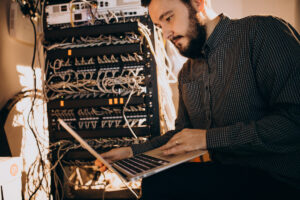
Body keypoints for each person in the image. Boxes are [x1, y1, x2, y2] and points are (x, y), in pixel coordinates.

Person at [95, 0, 300, 199]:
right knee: (157, 181)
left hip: (280, 179)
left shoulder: (262, 32)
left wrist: (208, 138)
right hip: (228, 177)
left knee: (162, 186)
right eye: (159, 26)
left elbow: (295, 121)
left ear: (198, 3)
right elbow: (182, 135)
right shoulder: (186, 73)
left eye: (169, 18)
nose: (166, 34)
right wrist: (131, 152)